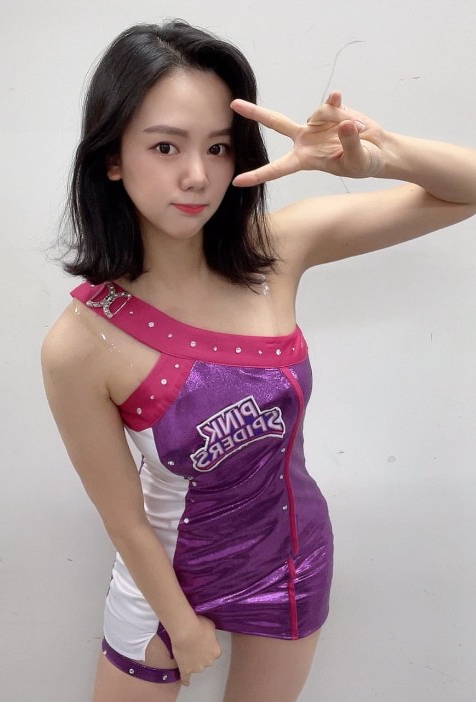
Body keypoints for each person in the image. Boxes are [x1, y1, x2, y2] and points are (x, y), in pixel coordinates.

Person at [41, 19, 476, 702]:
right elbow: (122, 517)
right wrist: (179, 623)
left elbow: (468, 189)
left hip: (290, 560)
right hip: (163, 578)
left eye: (218, 147)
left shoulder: (276, 251)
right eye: (165, 146)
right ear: (112, 157)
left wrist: (379, 156)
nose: (197, 175)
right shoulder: (79, 342)